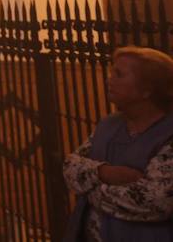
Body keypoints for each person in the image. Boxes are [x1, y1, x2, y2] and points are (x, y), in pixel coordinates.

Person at [63, 46, 173, 241]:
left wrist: (89, 188)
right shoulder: (109, 125)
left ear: (147, 89)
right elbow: (70, 167)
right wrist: (105, 172)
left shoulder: (167, 135)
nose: (109, 79)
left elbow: (155, 201)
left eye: (119, 74)